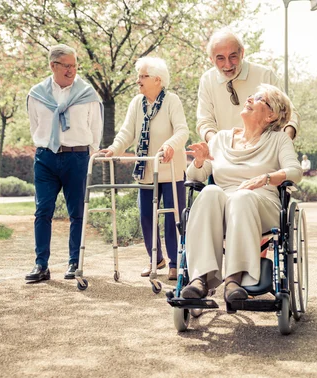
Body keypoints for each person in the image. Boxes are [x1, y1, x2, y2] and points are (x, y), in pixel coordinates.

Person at [181, 84, 302, 302]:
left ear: (271, 115)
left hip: (261, 204)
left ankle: (234, 280)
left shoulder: (278, 140)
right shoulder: (219, 139)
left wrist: (266, 178)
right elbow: (196, 177)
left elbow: (295, 171)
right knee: (209, 192)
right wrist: (199, 162)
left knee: (242, 196)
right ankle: (199, 278)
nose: (249, 99)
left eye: (258, 98)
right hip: (224, 205)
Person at [99, 57, 189, 280]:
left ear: (158, 79)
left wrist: (169, 145)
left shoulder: (172, 101)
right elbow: (127, 132)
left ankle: (175, 263)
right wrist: (113, 149)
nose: (138, 80)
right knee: (146, 216)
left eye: (143, 76)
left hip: (170, 169)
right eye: (138, 76)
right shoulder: (136, 103)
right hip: (146, 169)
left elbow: (182, 131)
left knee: (172, 217)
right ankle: (155, 259)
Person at [25, 44, 103, 282]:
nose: (71, 71)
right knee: (42, 211)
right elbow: (34, 126)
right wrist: (46, 147)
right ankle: (41, 265)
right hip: (46, 158)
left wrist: (87, 155)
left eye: (74, 66)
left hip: (77, 157)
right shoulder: (37, 94)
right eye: (66, 66)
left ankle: (74, 263)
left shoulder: (88, 94)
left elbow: (96, 129)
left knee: (77, 212)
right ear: (53, 66)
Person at [196, 29, 300, 143]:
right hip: (223, 153)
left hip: (261, 152)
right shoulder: (207, 80)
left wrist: (285, 141)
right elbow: (205, 122)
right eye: (220, 58)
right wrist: (219, 146)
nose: (228, 64)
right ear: (211, 59)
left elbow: (288, 114)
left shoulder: (265, 75)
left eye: (233, 56)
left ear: (242, 53)